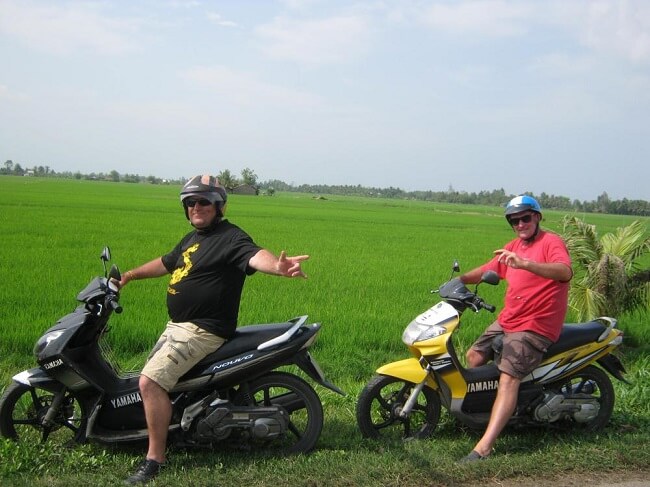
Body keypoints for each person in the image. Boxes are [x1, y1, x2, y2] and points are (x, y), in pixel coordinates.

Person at [119, 175, 309, 484]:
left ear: (219, 206)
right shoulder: (192, 239)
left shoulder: (230, 237)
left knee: (150, 384)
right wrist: (130, 275)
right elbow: (167, 262)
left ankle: (154, 459)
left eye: (204, 201)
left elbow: (255, 255)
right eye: (190, 202)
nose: (196, 207)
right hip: (179, 328)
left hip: (201, 331)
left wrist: (277, 266)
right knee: (162, 383)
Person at [458, 195, 572, 462]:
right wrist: (459, 281)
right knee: (474, 356)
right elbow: (491, 269)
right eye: (514, 220)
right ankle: (475, 412)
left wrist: (525, 264)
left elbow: (564, 271)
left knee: (509, 378)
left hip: (535, 325)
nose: (520, 224)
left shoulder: (550, 242)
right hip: (509, 318)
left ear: (537, 217)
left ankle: (484, 447)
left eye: (525, 218)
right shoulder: (514, 245)